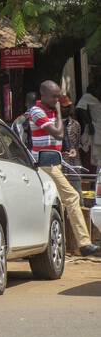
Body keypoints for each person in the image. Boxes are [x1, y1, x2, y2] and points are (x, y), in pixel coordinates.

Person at [26, 81, 99, 256]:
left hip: (55, 161)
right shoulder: (36, 112)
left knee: (59, 203)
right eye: (54, 96)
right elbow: (58, 133)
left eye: (59, 96)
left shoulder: (50, 111)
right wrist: (59, 113)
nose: (58, 99)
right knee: (72, 197)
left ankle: (64, 245)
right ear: (42, 95)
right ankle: (84, 244)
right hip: (45, 164)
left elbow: (60, 137)